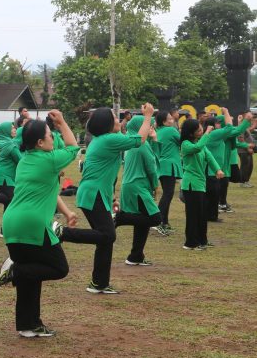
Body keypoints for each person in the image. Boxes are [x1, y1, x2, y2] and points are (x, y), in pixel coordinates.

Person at [0, 110, 79, 338]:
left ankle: (28, 325)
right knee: (59, 268)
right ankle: (14, 269)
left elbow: (49, 190)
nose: (53, 138)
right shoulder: (49, 160)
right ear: (40, 142)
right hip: (32, 224)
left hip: (12, 223)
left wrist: (67, 211)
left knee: (30, 278)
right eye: (50, 135)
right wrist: (62, 122)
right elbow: (73, 146)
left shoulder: (26, 161)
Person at [58, 104, 154, 294]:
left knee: (105, 240)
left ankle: (99, 283)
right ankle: (62, 233)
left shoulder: (103, 140)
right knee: (108, 235)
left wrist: (111, 199)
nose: (119, 120)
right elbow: (140, 140)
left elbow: (104, 173)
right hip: (93, 193)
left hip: (95, 193)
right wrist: (148, 116)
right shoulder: (109, 139)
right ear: (107, 124)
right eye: (115, 118)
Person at [115, 115, 160, 266]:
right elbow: (152, 167)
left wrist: (153, 140)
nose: (152, 129)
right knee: (155, 218)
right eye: (149, 126)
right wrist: (155, 184)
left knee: (142, 222)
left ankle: (135, 256)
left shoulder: (133, 141)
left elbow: (151, 158)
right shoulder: (141, 145)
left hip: (132, 185)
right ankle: (121, 218)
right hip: (138, 187)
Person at [180, 119, 222, 250]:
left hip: (200, 183)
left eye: (201, 129)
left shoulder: (200, 143)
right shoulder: (186, 145)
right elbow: (197, 148)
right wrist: (207, 134)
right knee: (193, 214)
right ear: (191, 133)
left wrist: (217, 169)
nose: (201, 131)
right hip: (191, 184)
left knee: (203, 214)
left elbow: (209, 157)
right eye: (198, 130)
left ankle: (202, 240)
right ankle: (191, 243)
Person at [152, 110, 181, 235]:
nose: (172, 120)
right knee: (168, 195)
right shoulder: (171, 130)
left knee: (167, 194)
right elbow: (182, 141)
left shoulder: (159, 131)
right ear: (164, 121)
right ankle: (157, 221)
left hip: (162, 165)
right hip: (169, 165)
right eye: (170, 118)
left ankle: (164, 222)